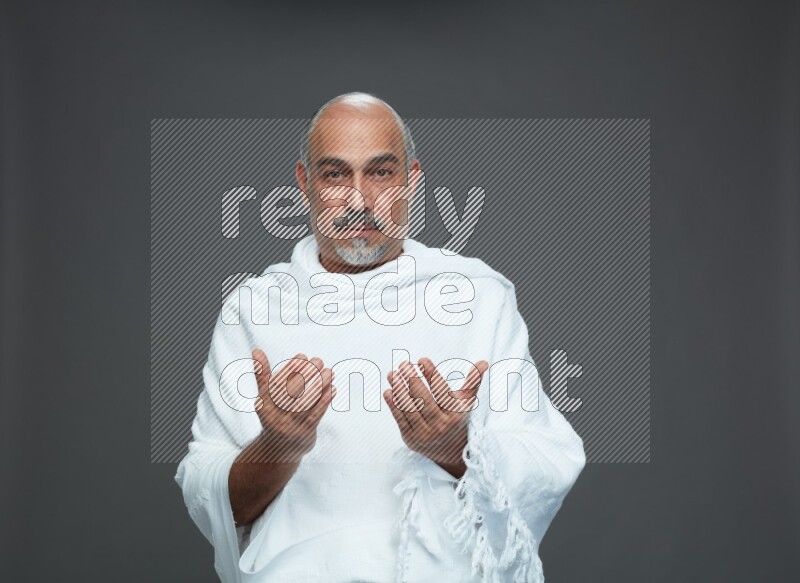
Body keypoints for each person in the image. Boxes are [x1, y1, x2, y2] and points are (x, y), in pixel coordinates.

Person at [175, 92, 586, 583]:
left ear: (412, 179)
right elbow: (216, 499)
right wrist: (279, 445)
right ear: (305, 184)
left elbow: (544, 462)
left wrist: (456, 446)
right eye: (334, 174)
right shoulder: (254, 309)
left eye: (381, 173)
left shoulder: (478, 297)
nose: (359, 200)